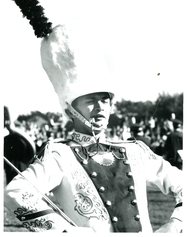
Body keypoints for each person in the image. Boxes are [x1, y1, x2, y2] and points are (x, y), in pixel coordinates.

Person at [4, 25, 183, 233]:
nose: (99, 107)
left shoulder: (136, 151)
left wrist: (175, 224)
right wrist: (69, 233)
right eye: (90, 100)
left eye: (105, 100)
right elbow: (16, 193)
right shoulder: (59, 154)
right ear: (70, 110)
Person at [4, 106, 36, 184]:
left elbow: (32, 151)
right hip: (12, 176)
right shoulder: (6, 139)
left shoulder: (16, 138)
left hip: (22, 174)